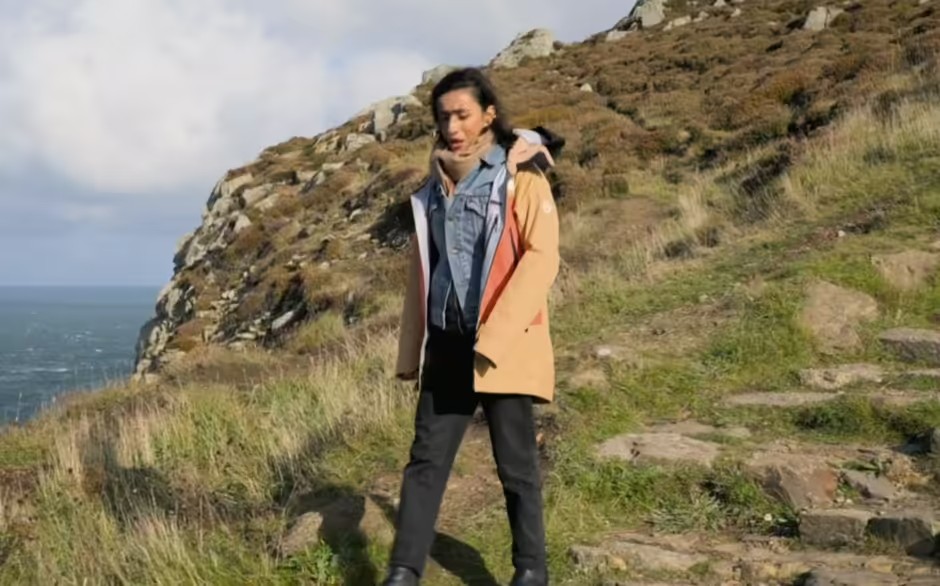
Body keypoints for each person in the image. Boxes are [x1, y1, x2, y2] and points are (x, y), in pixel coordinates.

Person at [382, 67, 562, 586]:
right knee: (425, 463)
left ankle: (531, 571)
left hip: (502, 344)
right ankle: (403, 572)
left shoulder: (521, 175)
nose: (453, 126)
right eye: (444, 116)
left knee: (517, 466)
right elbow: (425, 271)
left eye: (462, 114)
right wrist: (412, 350)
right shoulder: (433, 189)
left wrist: (498, 335)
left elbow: (541, 257)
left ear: (488, 114)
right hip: (447, 345)